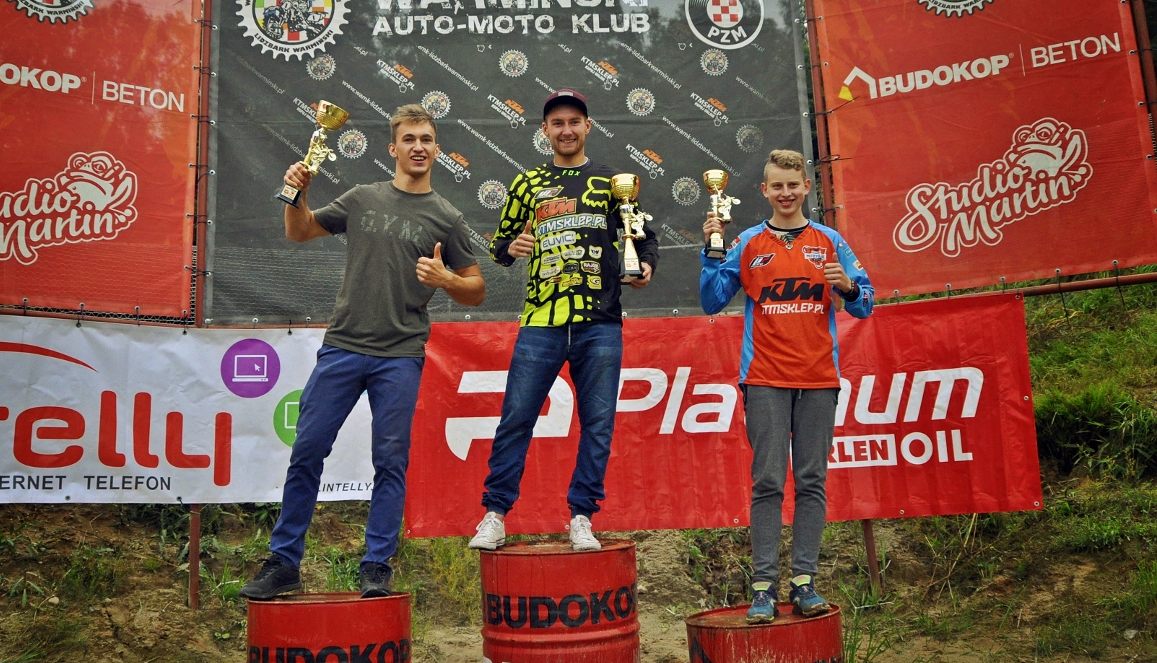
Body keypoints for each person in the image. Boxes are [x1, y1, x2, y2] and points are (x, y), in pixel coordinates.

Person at [240, 103, 485, 600]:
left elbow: (476, 288)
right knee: (307, 452)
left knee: (390, 463)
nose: (418, 147)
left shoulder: (447, 217)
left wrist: (447, 279)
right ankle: (284, 563)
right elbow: (300, 230)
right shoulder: (362, 198)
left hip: (401, 355)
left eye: (426, 139)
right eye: (409, 139)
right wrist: (298, 192)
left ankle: (376, 567)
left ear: (437, 150)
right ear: (393, 148)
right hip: (343, 347)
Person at [468, 89, 658, 553]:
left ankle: (582, 518)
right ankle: (495, 515)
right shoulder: (528, 182)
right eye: (557, 123)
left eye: (574, 121)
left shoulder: (614, 182)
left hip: (601, 322)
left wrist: (645, 266)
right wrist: (510, 248)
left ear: (587, 126)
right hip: (541, 321)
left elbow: (643, 237)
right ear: (545, 130)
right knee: (516, 418)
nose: (566, 130)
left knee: (598, 424)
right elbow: (499, 245)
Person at [699, 149, 873, 623]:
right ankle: (763, 589)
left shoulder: (830, 240)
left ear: (806, 188)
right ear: (764, 191)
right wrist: (711, 250)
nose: (786, 193)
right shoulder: (748, 242)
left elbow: (865, 304)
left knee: (812, 481)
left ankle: (804, 583)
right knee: (769, 482)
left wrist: (848, 287)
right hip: (765, 379)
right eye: (777, 185)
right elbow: (712, 301)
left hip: (818, 378)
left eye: (793, 185)